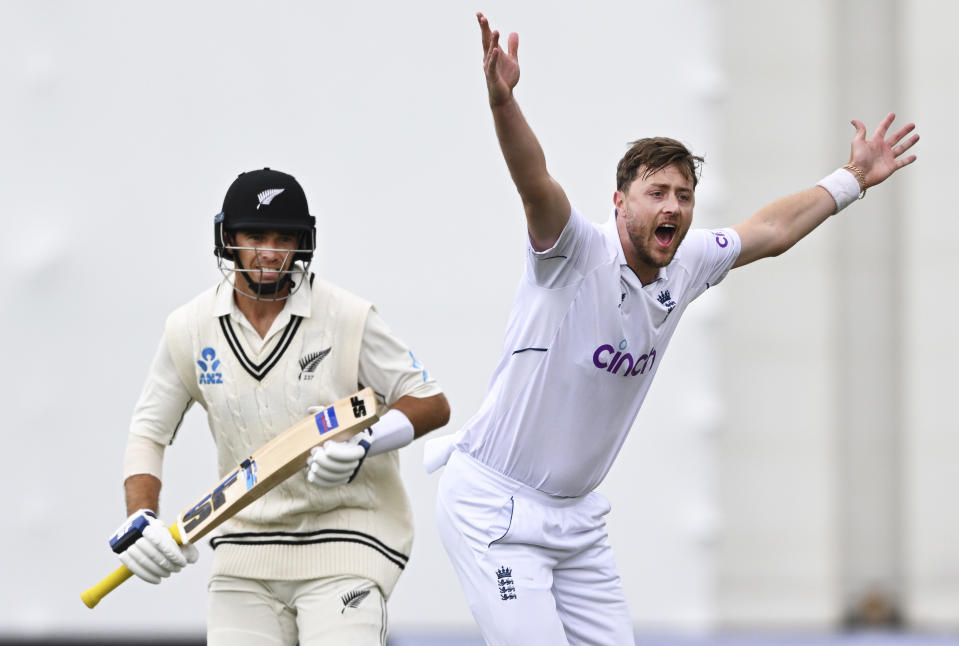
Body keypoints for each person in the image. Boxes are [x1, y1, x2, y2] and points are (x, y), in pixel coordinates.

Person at [424, 12, 919, 646]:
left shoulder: (686, 262)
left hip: (576, 519)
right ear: (619, 201)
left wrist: (850, 180)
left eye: (684, 195)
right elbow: (534, 182)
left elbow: (769, 232)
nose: (673, 207)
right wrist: (503, 102)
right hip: (492, 506)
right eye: (657, 192)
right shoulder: (571, 253)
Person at [109, 168, 450, 645]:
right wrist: (140, 518)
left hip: (346, 541)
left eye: (283, 237)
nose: (269, 252)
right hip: (243, 551)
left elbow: (431, 402)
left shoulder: (348, 317)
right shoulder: (189, 328)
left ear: (301, 243)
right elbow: (148, 432)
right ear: (228, 239)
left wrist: (364, 444)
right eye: (255, 236)